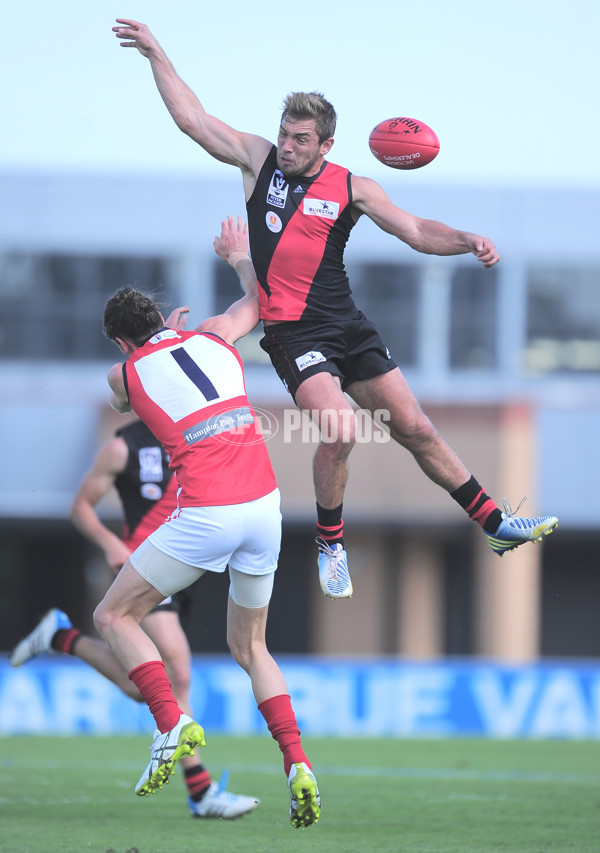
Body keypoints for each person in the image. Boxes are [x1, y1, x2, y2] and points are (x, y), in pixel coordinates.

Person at [111, 18, 559, 602]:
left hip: (347, 323)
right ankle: (331, 542)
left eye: (302, 140)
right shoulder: (258, 161)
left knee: (416, 428)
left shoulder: (355, 188)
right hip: (292, 333)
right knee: (342, 428)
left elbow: (419, 230)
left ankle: (496, 527)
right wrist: (155, 54)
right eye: (286, 134)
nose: (289, 147)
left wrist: (467, 240)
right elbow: (193, 120)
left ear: (326, 146)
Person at [91, 219, 320, 828]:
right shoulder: (215, 336)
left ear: (119, 342)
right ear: (166, 316)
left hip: (208, 511)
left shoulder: (124, 373)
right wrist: (240, 257)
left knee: (113, 616)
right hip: (264, 507)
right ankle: (296, 761)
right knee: (252, 646)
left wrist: (151, 345)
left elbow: (124, 392)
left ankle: (172, 724)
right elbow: (261, 303)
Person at [10, 414, 260, 820]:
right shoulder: (122, 447)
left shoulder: (196, 435)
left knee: (144, 688)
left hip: (189, 566)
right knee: (177, 669)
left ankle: (61, 637)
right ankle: (201, 792)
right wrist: (111, 544)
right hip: (145, 565)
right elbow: (81, 507)